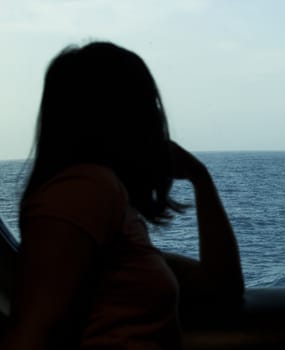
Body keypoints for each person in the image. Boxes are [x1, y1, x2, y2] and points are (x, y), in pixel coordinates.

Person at [0, 41, 244, 349]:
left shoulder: (111, 216)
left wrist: (200, 178)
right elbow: (31, 334)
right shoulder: (85, 190)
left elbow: (222, 287)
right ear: (122, 116)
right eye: (147, 103)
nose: (156, 115)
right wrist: (199, 177)